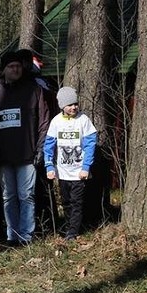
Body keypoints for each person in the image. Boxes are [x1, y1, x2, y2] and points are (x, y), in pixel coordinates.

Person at [0, 51, 50, 245]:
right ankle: (11, 235)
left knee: (27, 196)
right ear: (3, 70)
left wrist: (40, 149)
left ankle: (26, 235)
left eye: (18, 66)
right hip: (3, 156)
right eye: (11, 67)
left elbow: (44, 121)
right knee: (8, 197)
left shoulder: (34, 91)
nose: (15, 69)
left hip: (27, 155)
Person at [43, 87, 97, 241]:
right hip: (62, 171)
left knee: (76, 202)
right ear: (62, 106)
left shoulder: (83, 120)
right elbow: (49, 146)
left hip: (79, 172)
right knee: (66, 201)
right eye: (69, 105)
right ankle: (68, 227)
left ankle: (72, 232)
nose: (73, 107)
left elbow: (90, 144)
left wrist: (86, 167)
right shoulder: (56, 122)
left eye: (75, 104)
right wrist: (49, 166)